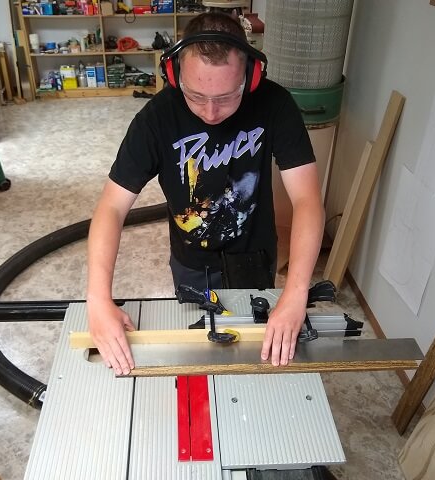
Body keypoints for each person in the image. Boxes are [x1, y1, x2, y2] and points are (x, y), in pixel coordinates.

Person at [87, 12, 324, 375]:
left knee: (254, 354)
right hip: (191, 262)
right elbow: (112, 208)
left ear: (251, 75)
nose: (211, 112)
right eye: (196, 96)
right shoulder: (157, 118)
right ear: (174, 74)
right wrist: (98, 299)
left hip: (254, 256)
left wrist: (296, 293)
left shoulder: (276, 105)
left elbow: (307, 200)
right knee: (199, 353)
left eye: (227, 97)